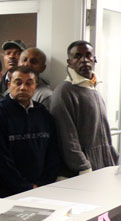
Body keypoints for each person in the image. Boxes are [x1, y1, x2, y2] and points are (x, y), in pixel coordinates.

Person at [0, 66, 59, 197]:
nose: (23, 87)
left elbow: (52, 153)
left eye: (29, 83)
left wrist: (43, 184)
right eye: (18, 82)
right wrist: (25, 187)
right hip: (5, 192)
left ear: (35, 86)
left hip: (41, 190)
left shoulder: (43, 113)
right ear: (9, 85)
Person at [50, 40, 118, 176]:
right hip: (82, 172)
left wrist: (114, 160)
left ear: (95, 59)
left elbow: (104, 135)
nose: (84, 60)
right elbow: (67, 137)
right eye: (78, 56)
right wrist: (84, 167)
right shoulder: (64, 92)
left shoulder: (93, 89)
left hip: (103, 167)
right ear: (69, 62)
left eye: (88, 55)